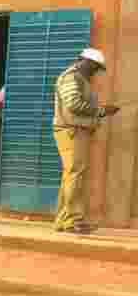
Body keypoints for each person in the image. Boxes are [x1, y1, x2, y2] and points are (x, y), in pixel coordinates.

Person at [52, 48, 118, 235]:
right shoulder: (71, 77)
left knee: (71, 176)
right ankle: (72, 221)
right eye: (95, 68)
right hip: (72, 131)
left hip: (75, 131)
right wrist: (101, 111)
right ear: (86, 62)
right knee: (75, 175)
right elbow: (74, 104)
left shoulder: (78, 78)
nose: (95, 72)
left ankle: (64, 220)